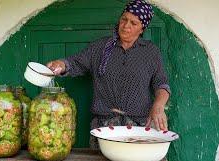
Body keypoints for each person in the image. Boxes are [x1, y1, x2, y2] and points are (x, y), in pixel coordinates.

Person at [47, 0, 170, 149]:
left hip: (139, 129)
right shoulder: (100, 48)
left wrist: (159, 105)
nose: (126, 26)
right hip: (104, 128)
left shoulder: (150, 52)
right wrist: (61, 64)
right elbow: (75, 63)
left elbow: (161, 83)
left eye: (133, 23)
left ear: (142, 28)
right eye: (124, 19)